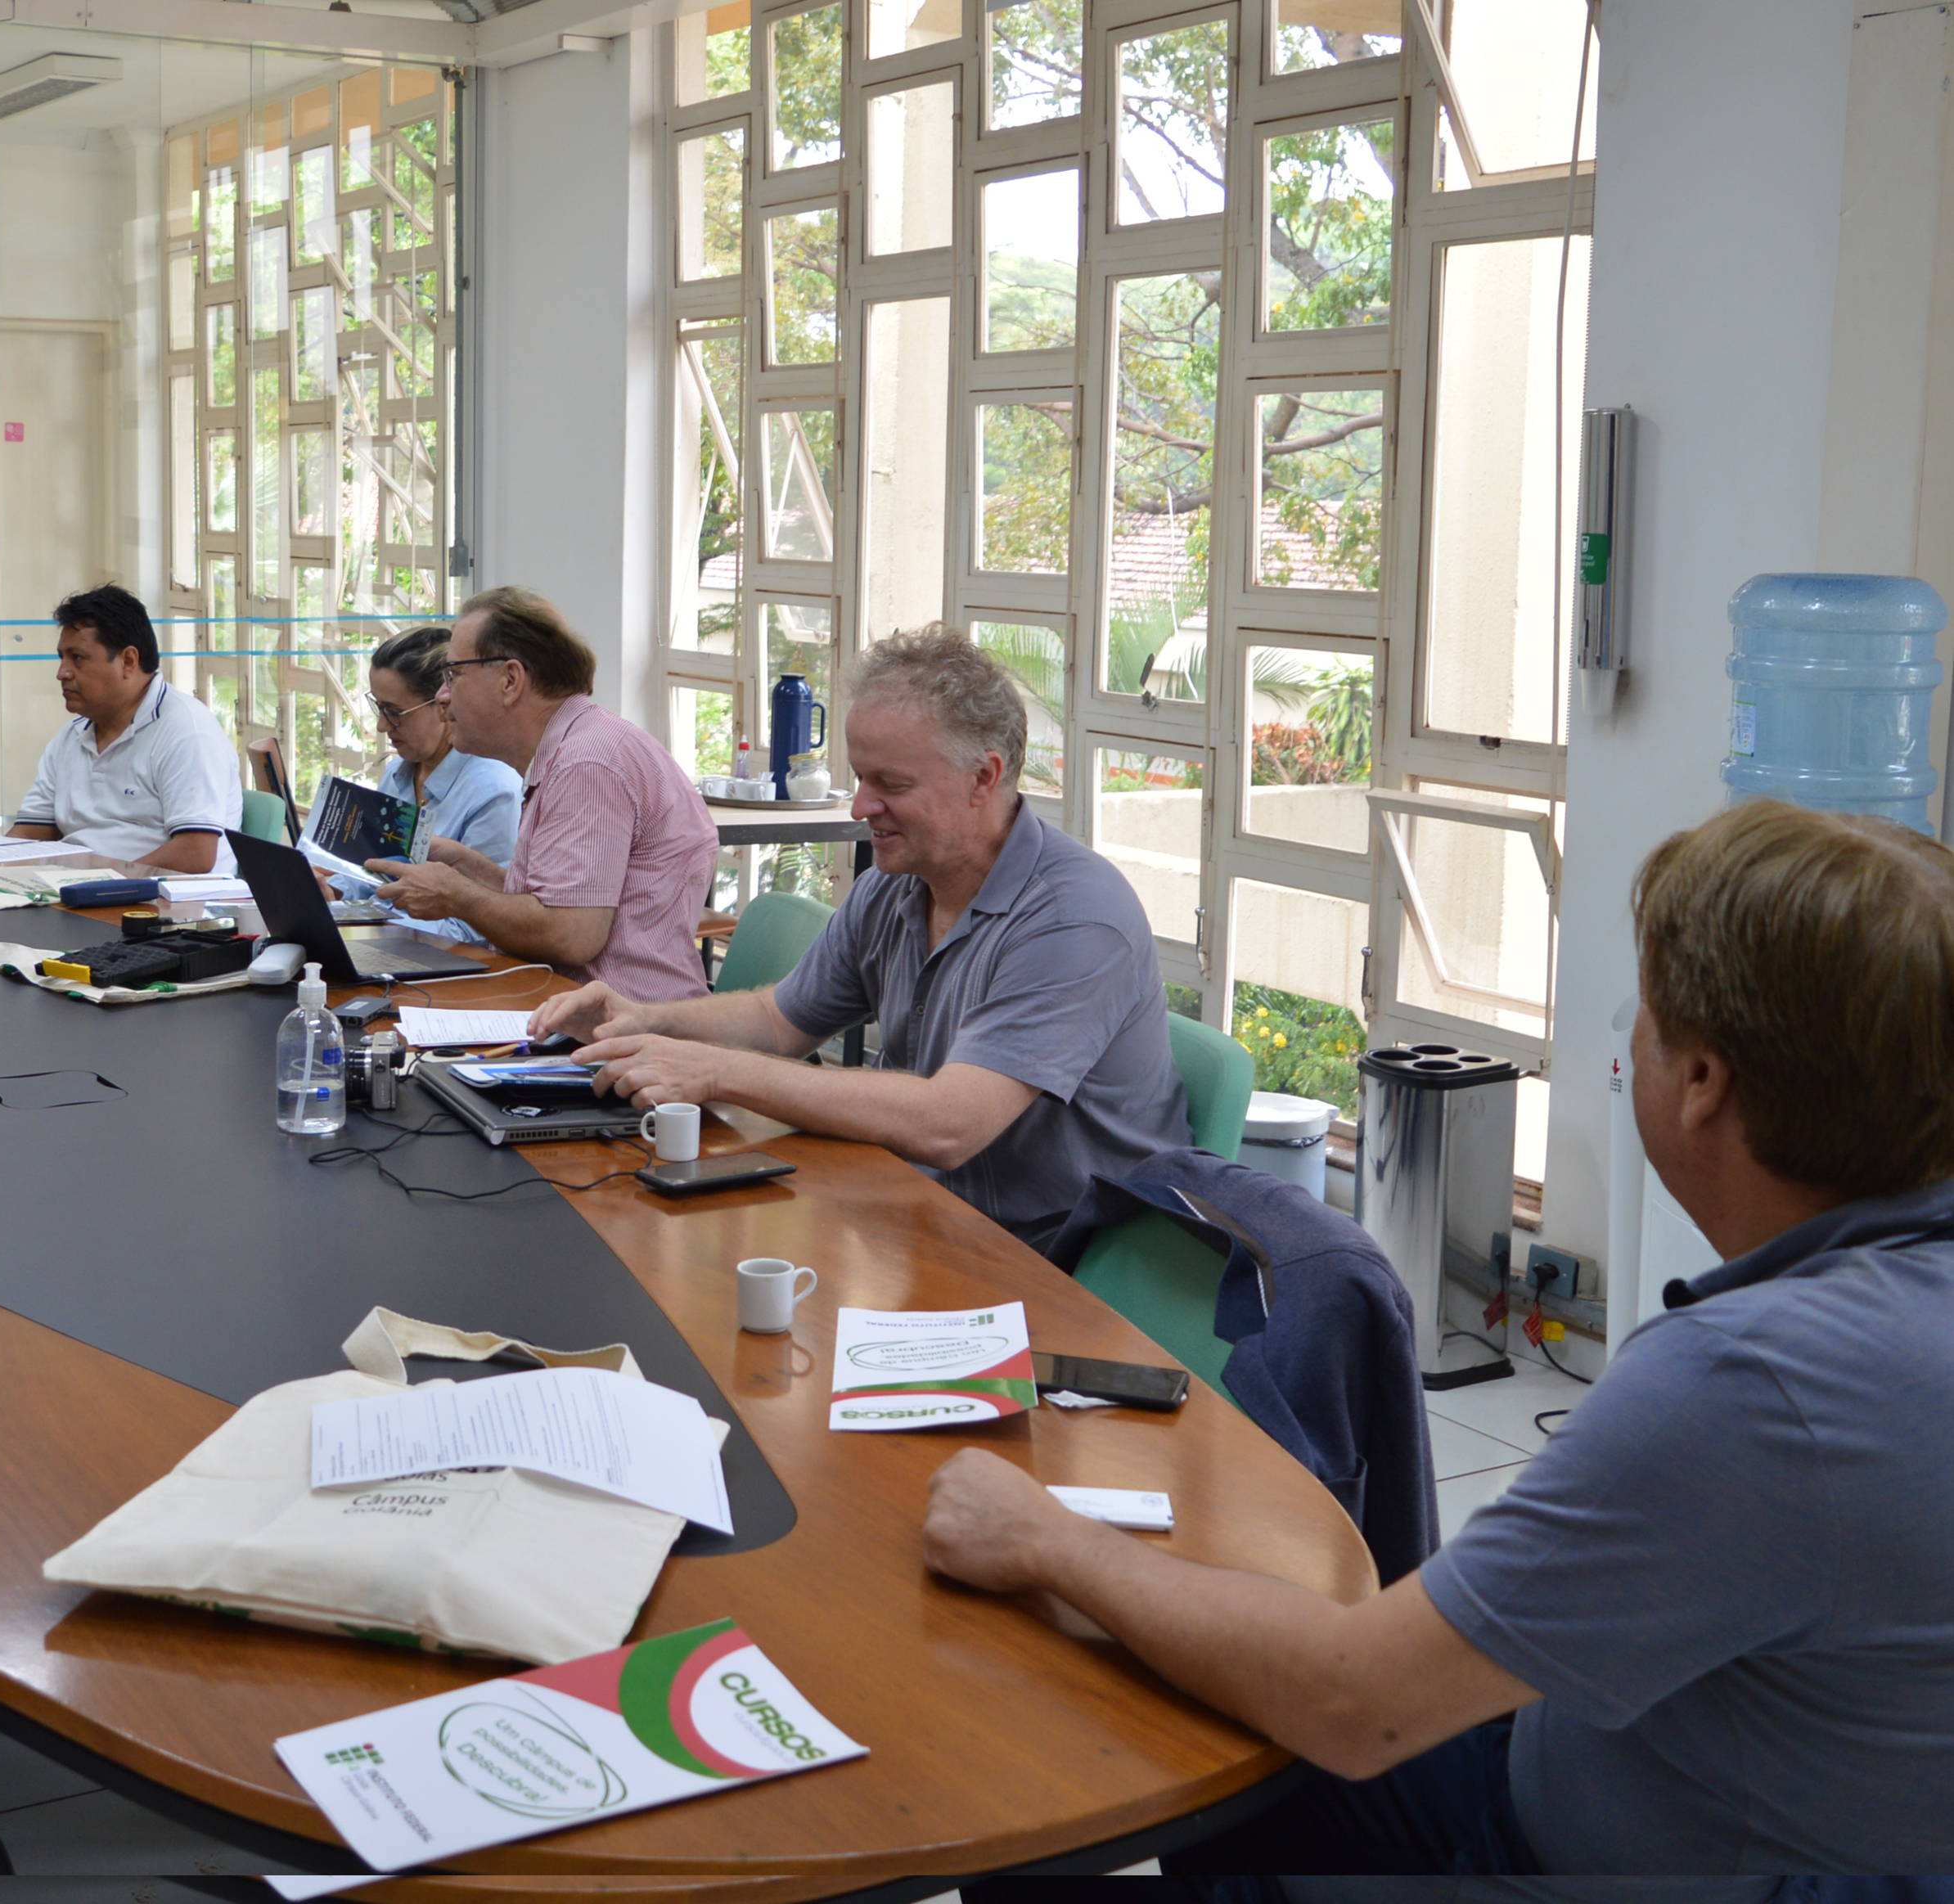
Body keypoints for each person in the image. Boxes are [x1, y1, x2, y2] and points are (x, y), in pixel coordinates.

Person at [925, 799, 1954, 1885]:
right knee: (1161, 1711)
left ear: (1703, 1084)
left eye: (1647, 1012)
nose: (1632, 1032)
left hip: (1595, 1855)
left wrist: (1047, 1537)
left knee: (1046, 1795)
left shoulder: (1751, 1385)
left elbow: (1353, 1698)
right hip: (1586, 1759)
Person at [530, 625, 1184, 1244]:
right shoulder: (898, 883)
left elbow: (948, 1124)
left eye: (890, 784)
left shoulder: (1073, 917)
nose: (860, 806)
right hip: (929, 1214)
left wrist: (713, 1072)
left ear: (984, 777)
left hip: (1060, 1260)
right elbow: (779, 1020)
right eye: (861, 776)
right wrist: (647, 1022)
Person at [366, 586, 718, 1000]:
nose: (443, 696)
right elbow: (556, 905)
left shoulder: (585, 765)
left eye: (453, 675)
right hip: (575, 1009)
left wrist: (455, 895)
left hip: (619, 1027)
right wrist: (469, 867)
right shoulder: (574, 748)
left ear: (510, 680)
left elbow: (571, 935)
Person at [7, 584, 241, 874]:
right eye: (62, 658)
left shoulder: (187, 732)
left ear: (128, 661)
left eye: (77, 658)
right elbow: (31, 832)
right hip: (79, 894)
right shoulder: (71, 735)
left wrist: (103, 882)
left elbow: (195, 854)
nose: (62, 673)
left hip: (160, 905)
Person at [322, 625, 522, 944]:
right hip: (389, 944)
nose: (382, 725)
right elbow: (374, 877)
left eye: (395, 712)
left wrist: (374, 928)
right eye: (379, 707)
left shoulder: (494, 793)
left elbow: (478, 932)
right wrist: (332, 892)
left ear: (444, 704)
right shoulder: (398, 774)